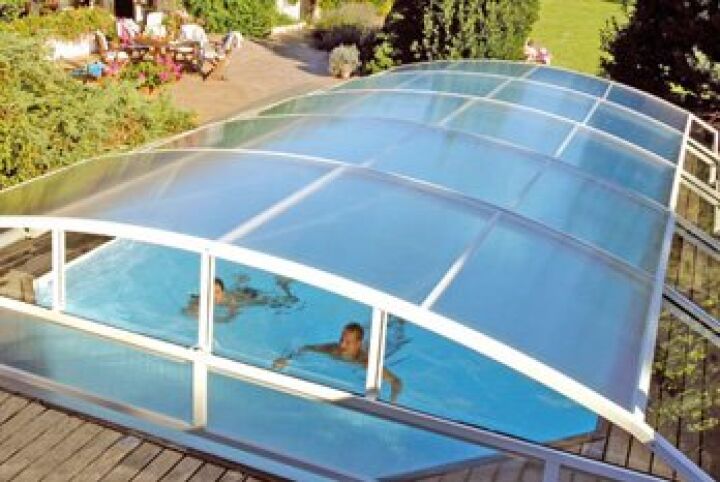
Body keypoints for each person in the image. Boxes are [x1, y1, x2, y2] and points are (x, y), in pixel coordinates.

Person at [272, 322, 403, 403]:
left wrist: (392, 402)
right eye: (341, 339)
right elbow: (306, 348)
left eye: (348, 342)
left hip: (389, 344)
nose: (342, 345)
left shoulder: (365, 361)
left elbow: (396, 381)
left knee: (395, 331)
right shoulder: (333, 349)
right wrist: (286, 359)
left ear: (358, 344)